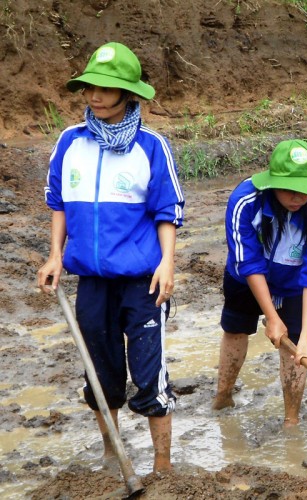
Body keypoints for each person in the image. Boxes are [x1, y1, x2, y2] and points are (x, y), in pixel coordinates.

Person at [37, 42, 184, 472]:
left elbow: (166, 211)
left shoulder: (151, 146)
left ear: (128, 93)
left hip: (143, 282)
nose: (95, 96)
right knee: (99, 372)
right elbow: (59, 203)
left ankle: (163, 466)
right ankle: (112, 454)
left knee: (148, 372)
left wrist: (168, 263)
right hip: (92, 282)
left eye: (106, 88)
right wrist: (55, 256)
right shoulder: (70, 142)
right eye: (90, 88)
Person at [212, 139, 307, 428]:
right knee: (235, 330)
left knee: (295, 349)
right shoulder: (245, 201)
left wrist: (305, 336)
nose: (297, 197)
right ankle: (223, 395)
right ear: (272, 183)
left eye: (304, 190)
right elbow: (249, 261)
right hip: (247, 278)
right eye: (289, 189)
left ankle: (291, 420)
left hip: (293, 284)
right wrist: (270, 316)